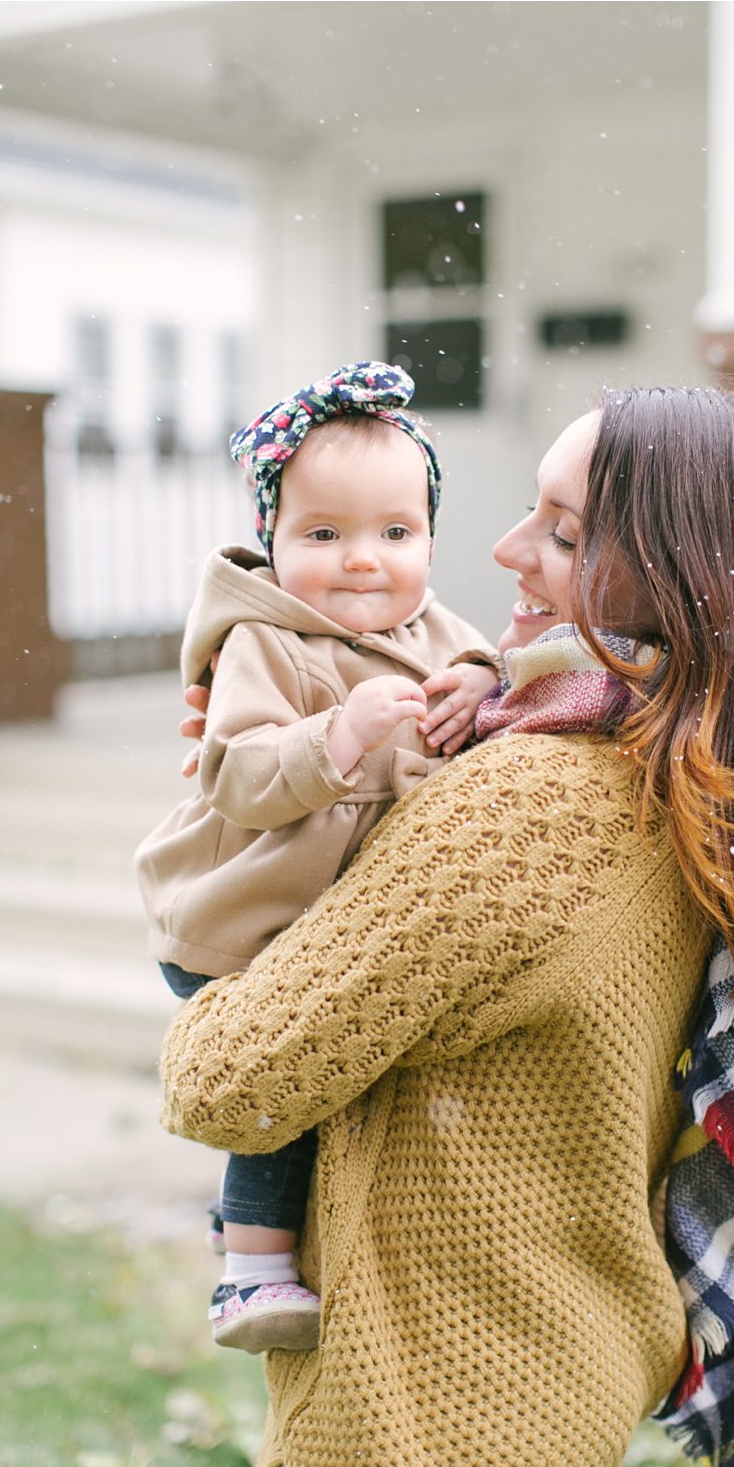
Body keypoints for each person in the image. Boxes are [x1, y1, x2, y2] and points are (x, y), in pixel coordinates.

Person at [161, 387, 734, 1467]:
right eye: (530, 510)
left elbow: (227, 1082)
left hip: (418, 1419)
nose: (507, 549)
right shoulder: (712, 776)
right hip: (559, 1368)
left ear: (684, 581)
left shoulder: (532, 803)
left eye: (563, 534)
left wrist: (232, 877)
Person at [135, 362, 498, 1353]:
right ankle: (248, 1273)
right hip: (242, 918)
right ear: (273, 540)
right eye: (324, 535)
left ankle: (282, 1239)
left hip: (338, 928)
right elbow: (237, 777)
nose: (363, 562)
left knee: (336, 1081)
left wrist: (479, 679)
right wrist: (337, 736)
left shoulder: (438, 633)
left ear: (429, 540)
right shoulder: (266, 642)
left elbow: (492, 673)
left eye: (396, 534)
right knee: (284, 1080)